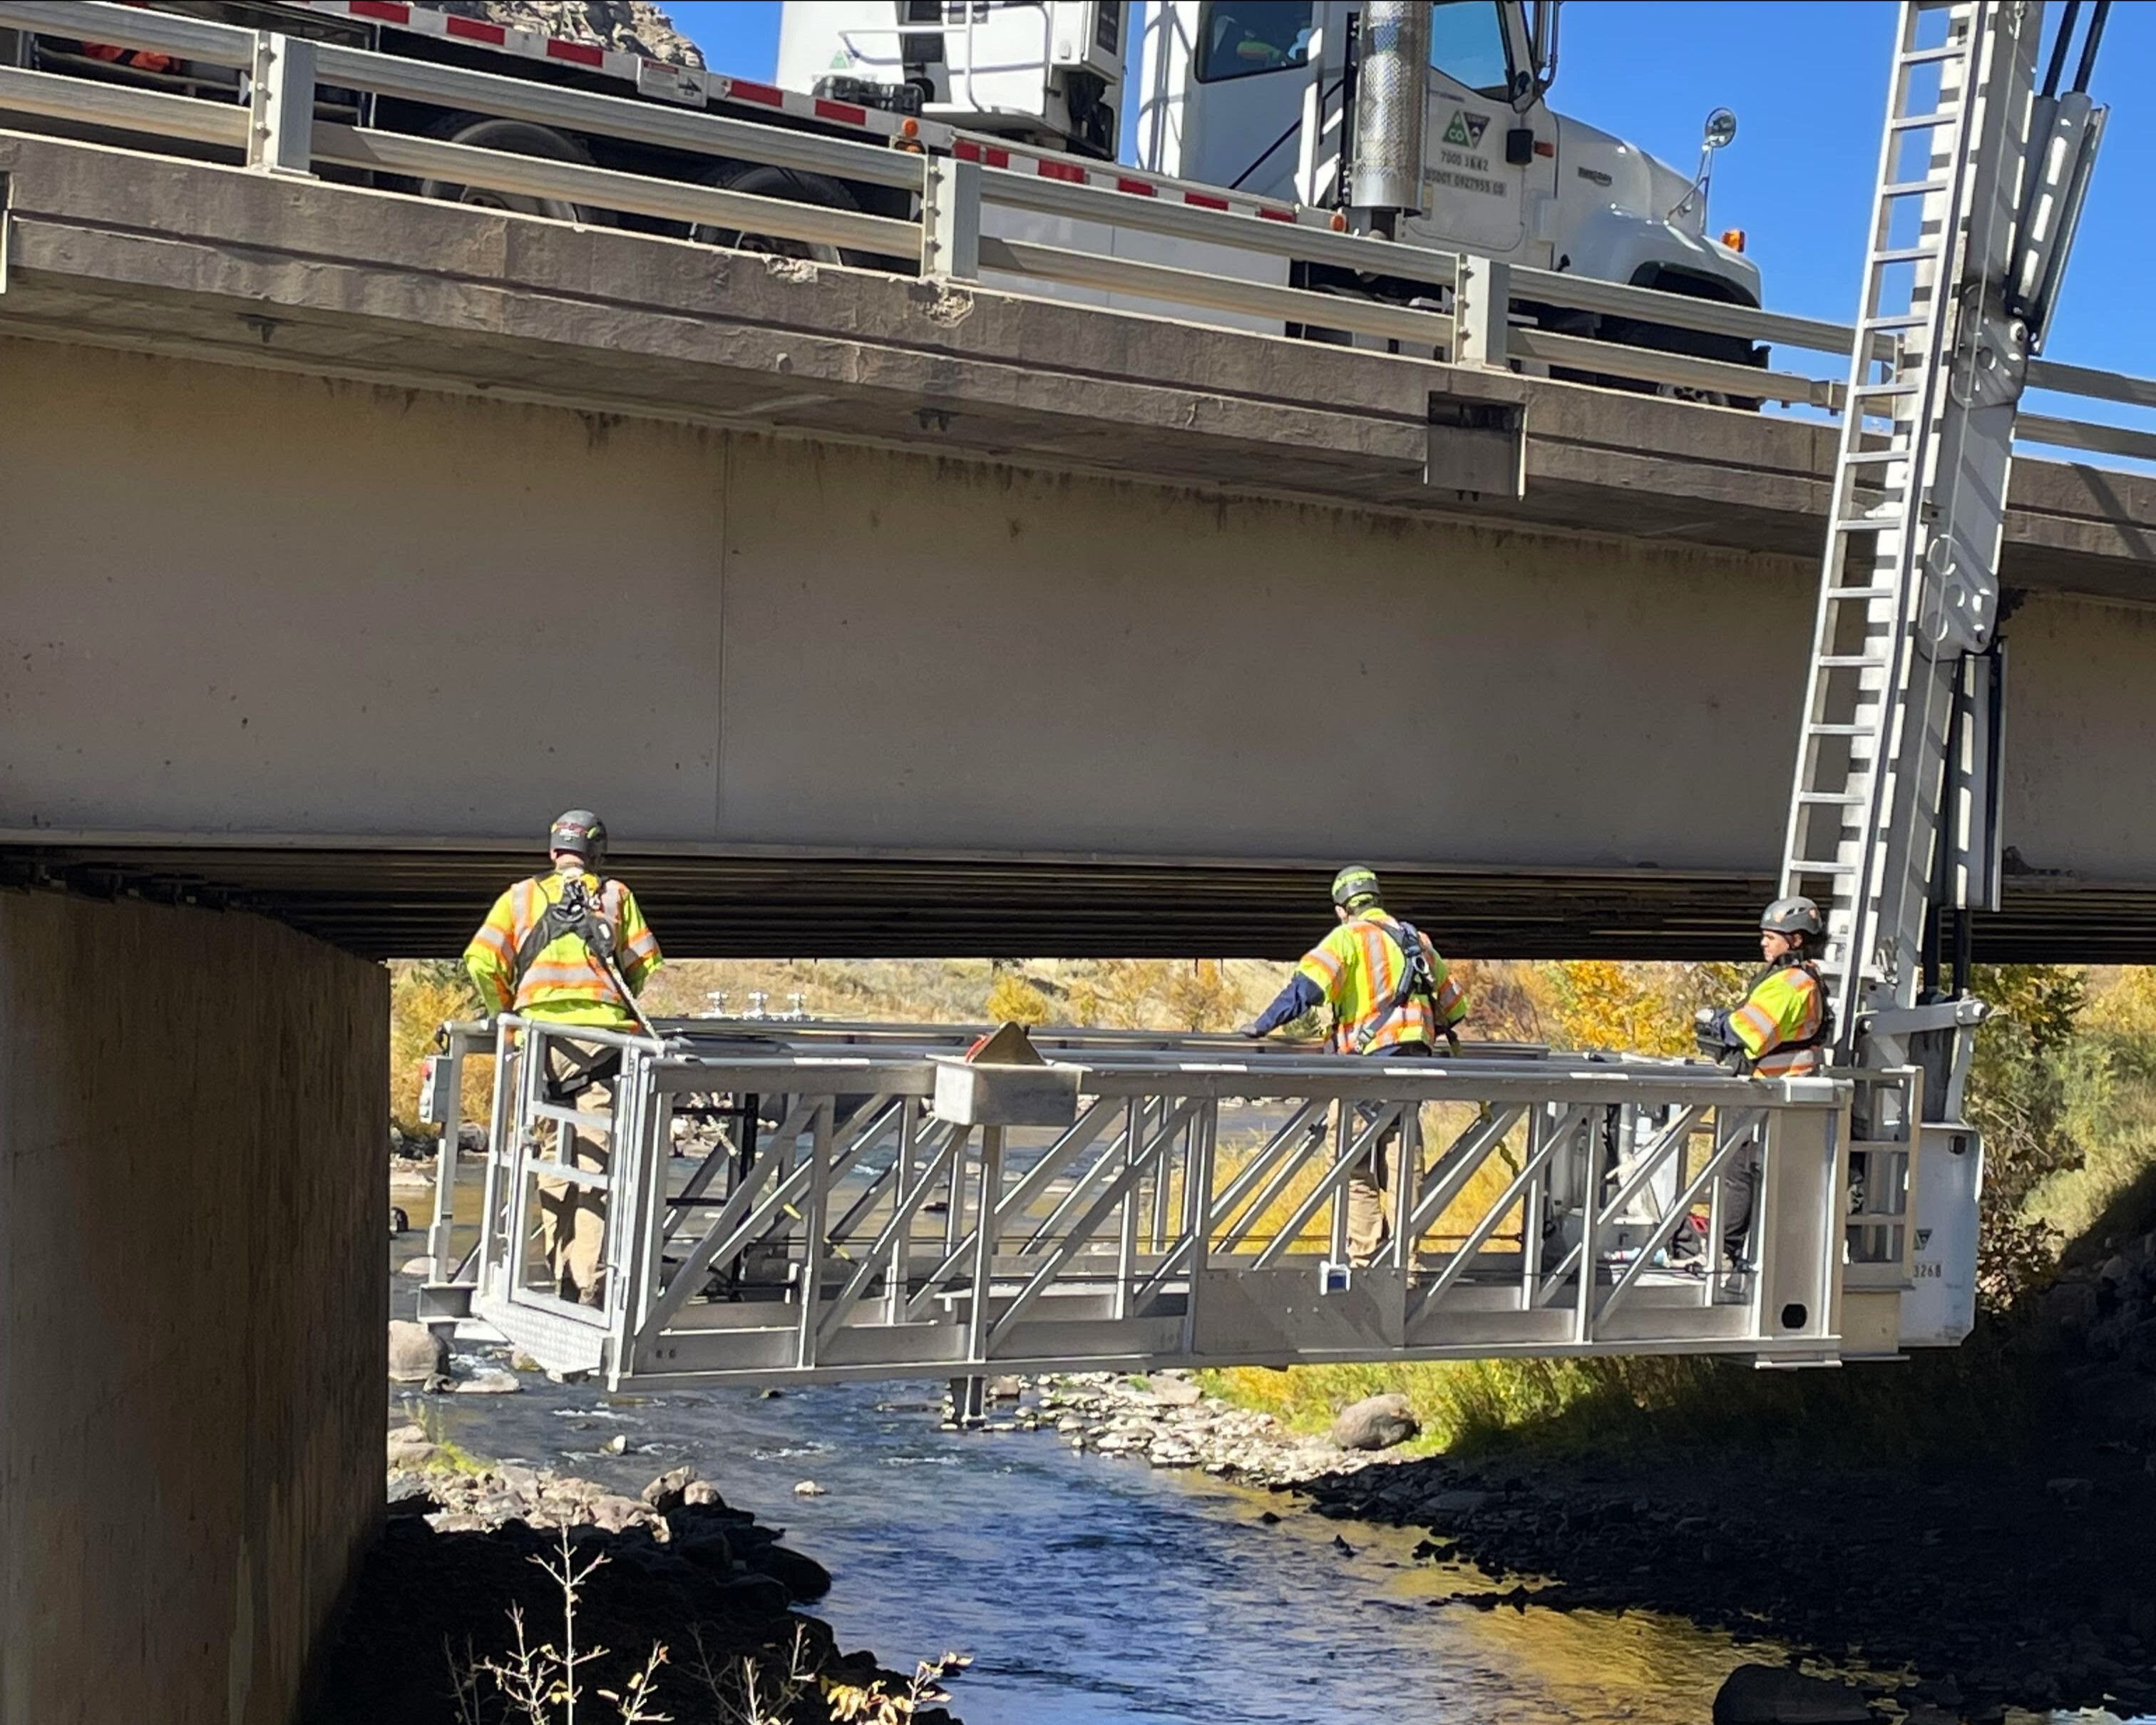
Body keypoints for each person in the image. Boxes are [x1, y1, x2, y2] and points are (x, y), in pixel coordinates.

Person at [463, 809, 663, 1306]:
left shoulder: (520, 897)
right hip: (603, 1049)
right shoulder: (615, 896)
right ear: (598, 852)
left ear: (553, 851)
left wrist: (505, 1014)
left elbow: (481, 960)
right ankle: (588, 1284)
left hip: (537, 1044)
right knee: (597, 1165)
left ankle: (561, 1273)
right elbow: (643, 964)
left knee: (549, 1157)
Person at [1240, 866, 1468, 1265]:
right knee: (1402, 1167)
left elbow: (1305, 990)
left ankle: (1365, 1259)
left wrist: (1260, 1026)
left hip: (1363, 1070)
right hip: (1413, 1070)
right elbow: (1456, 1007)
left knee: (1351, 1162)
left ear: (1343, 908)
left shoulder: (1348, 938)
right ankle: (1404, 1264)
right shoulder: (1417, 940)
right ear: (1376, 899)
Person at [1693, 895, 1833, 1275]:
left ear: (1797, 940)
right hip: (1787, 1094)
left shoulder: (1788, 984)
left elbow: (1748, 1032)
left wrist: (1716, 1021)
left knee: (1736, 1174)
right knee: (1765, 1179)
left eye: (1772, 936)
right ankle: (1748, 1254)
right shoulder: (1806, 978)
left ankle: (1722, 1254)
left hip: (1772, 1092)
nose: (1764, 943)